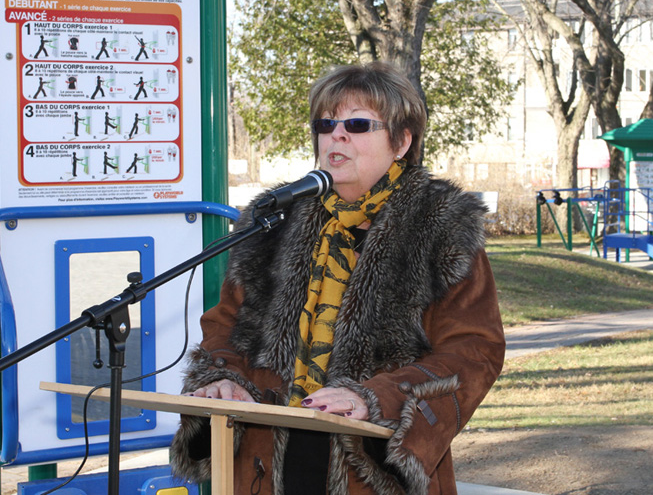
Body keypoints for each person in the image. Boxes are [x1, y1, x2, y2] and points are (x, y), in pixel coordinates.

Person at [170, 62, 505, 494]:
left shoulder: (440, 227)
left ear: (401, 142)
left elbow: (475, 351)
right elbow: (226, 326)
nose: (337, 136)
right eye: (326, 124)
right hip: (263, 464)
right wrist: (222, 377)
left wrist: (376, 398)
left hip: (371, 466)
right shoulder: (275, 221)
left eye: (358, 124)